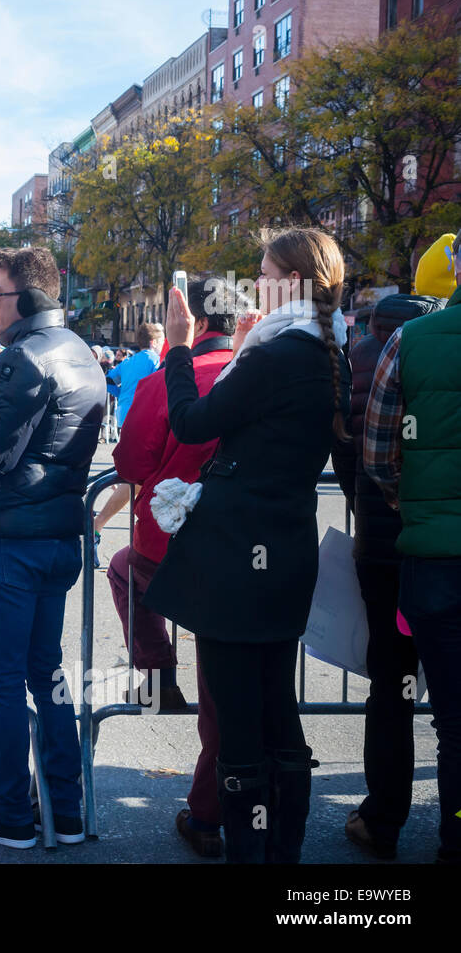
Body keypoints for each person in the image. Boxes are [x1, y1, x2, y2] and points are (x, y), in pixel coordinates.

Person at [143, 228, 351, 863]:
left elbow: (195, 423)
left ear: (289, 281)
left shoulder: (281, 353)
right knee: (276, 713)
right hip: (283, 553)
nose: (256, 283)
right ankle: (280, 854)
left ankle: (252, 852)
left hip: (238, 559)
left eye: (264, 272)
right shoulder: (325, 349)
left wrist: (178, 351)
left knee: (240, 726)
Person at [0, 246, 105, 849]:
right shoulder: (81, 353)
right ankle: (65, 811)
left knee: (3, 682)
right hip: (59, 538)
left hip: (15, 540)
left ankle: (13, 814)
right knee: (48, 676)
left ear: (30, 299)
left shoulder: (22, 359)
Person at [108, 276, 250, 857]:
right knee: (224, 694)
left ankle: (157, 671)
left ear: (187, 321)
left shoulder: (170, 377)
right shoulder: (257, 374)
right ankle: (210, 815)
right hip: (241, 552)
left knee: (122, 570)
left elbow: (129, 459)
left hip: (165, 548)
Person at [364, 227, 461, 865]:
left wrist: (414, 504)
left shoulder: (410, 339)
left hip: (434, 562)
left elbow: (379, 453)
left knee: (452, 720)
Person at [332, 291, 441, 860]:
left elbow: (359, 458)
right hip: (432, 544)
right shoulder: (424, 349)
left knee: (391, 688)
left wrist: (373, 509)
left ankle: (383, 819)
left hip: (381, 550)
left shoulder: (361, 364)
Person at [107, 322, 164, 429]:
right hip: (145, 414)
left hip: (123, 414)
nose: (163, 345)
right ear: (153, 342)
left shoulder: (126, 362)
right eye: (161, 342)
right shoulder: (156, 361)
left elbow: (108, 381)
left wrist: (120, 394)